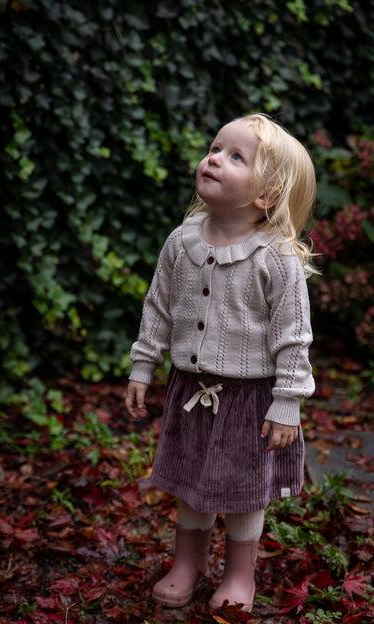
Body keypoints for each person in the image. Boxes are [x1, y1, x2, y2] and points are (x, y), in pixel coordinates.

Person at [125, 112, 317, 613]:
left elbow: (294, 338)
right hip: (190, 388)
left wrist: (287, 404)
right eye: (215, 148)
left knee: (244, 488)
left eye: (236, 156)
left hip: (250, 397)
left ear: (267, 195)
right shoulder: (180, 242)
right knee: (191, 477)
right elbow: (158, 308)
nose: (214, 158)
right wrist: (142, 366)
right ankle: (187, 564)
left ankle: (238, 574)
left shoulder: (276, 259)